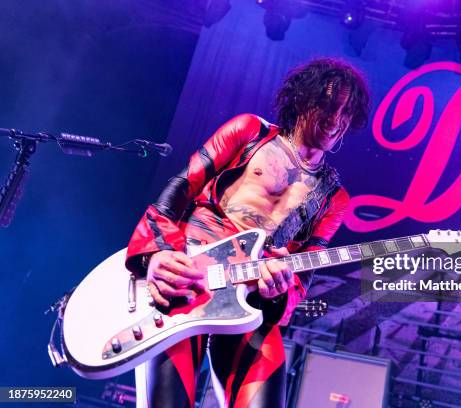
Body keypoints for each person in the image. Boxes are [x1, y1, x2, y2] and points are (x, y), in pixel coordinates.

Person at [124, 57, 370, 407]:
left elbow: (304, 272)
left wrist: (279, 290)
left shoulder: (334, 198)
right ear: (302, 99)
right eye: (328, 105)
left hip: (249, 299)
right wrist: (157, 253)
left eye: (346, 112)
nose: (335, 120)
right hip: (187, 276)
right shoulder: (249, 131)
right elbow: (182, 186)